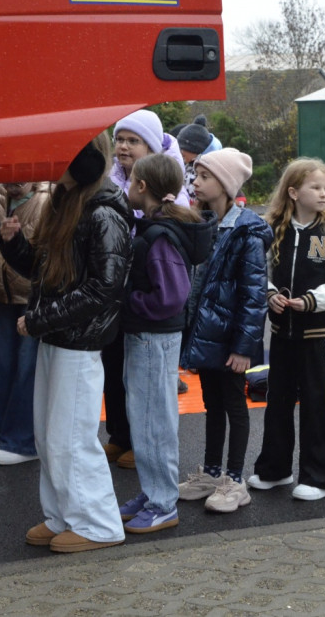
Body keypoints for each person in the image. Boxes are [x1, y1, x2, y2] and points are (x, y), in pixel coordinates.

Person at [0, 133, 132, 553]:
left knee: (72, 436)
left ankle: (98, 524)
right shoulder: (68, 201)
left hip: (79, 341)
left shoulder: (103, 211)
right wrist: (13, 243)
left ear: (83, 161)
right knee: (49, 434)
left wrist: (39, 319)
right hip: (59, 336)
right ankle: (63, 515)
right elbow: (45, 268)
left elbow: (105, 287)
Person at [116, 154, 216, 533]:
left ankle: (162, 503)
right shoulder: (159, 228)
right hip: (148, 337)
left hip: (153, 338)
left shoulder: (159, 235)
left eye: (131, 180)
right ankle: (153, 490)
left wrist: (127, 300)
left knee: (152, 419)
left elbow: (172, 296)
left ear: (142, 187)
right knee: (145, 417)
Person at [248, 158, 325, 501]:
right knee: (277, 404)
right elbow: (258, 271)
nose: (323, 194)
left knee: (317, 407)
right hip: (281, 336)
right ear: (293, 192)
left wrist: (311, 300)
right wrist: (269, 294)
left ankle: (322, 478)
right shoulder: (273, 230)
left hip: (316, 339)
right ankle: (275, 470)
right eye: (315, 187)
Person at [178, 148, 272, 514]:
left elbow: (253, 297)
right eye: (195, 175)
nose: (195, 182)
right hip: (208, 335)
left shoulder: (246, 231)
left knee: (234, 403)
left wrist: (244, 347)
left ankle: (235, 479)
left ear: (226, 184)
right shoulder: (203, 223)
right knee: (211, 403)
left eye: (204, 177)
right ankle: (212, 473)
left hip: (231, 340)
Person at [104, 109, 189, 469]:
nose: (123, 147)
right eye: (119, 139)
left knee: (147, 383)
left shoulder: (169, 197)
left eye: (132, 140)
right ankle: (120, 436)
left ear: (150, 146)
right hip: (119, 293)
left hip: (144, 301)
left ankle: (144, 445)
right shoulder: (111, 180)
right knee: (115, 368)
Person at [0, 181, 52, 465]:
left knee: (27, 369)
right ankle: (2, 433)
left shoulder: (51, 197)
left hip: (33, 296)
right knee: (3, 368)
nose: (15, 178)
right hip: (4, 294)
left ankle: (23, 441)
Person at [177, 115, 222, 203]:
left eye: (183, 148)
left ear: (194, 149)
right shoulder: (185, 166)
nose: (180, 152)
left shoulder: (208, 169)